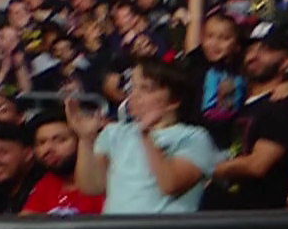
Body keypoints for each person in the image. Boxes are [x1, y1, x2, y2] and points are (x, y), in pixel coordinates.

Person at [68, 58, 221, 214]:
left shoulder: (194, 138)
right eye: (132, 88)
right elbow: (91, 187)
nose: (134, 95)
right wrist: (85, 139)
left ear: (174, 100)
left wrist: (146, 136)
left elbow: (170, 184)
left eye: (146, 88)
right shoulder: (115, 132)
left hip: (161, 228)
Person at [206, 20, 288, 211]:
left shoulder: (281, 107)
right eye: (251, 48)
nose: (254, 55)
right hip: (227, 213)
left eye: (266, 50)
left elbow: (257, 165)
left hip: (256, 218)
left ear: (287, 60)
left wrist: (207, 169)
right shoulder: (243, 101)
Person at [182, 0, 245, 149]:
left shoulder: (242, 68)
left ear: (236, 44)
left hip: (224, 146)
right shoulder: (198, 61)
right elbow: (195, 20)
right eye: (210, 36)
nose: (215, 43)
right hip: (192, 142)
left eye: (224, 38)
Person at [21, 107, 103, 215]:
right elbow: (26, 221)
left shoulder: (106, 179)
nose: (48, 148)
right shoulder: (47, 182)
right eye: (41, 142)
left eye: (60, 140)